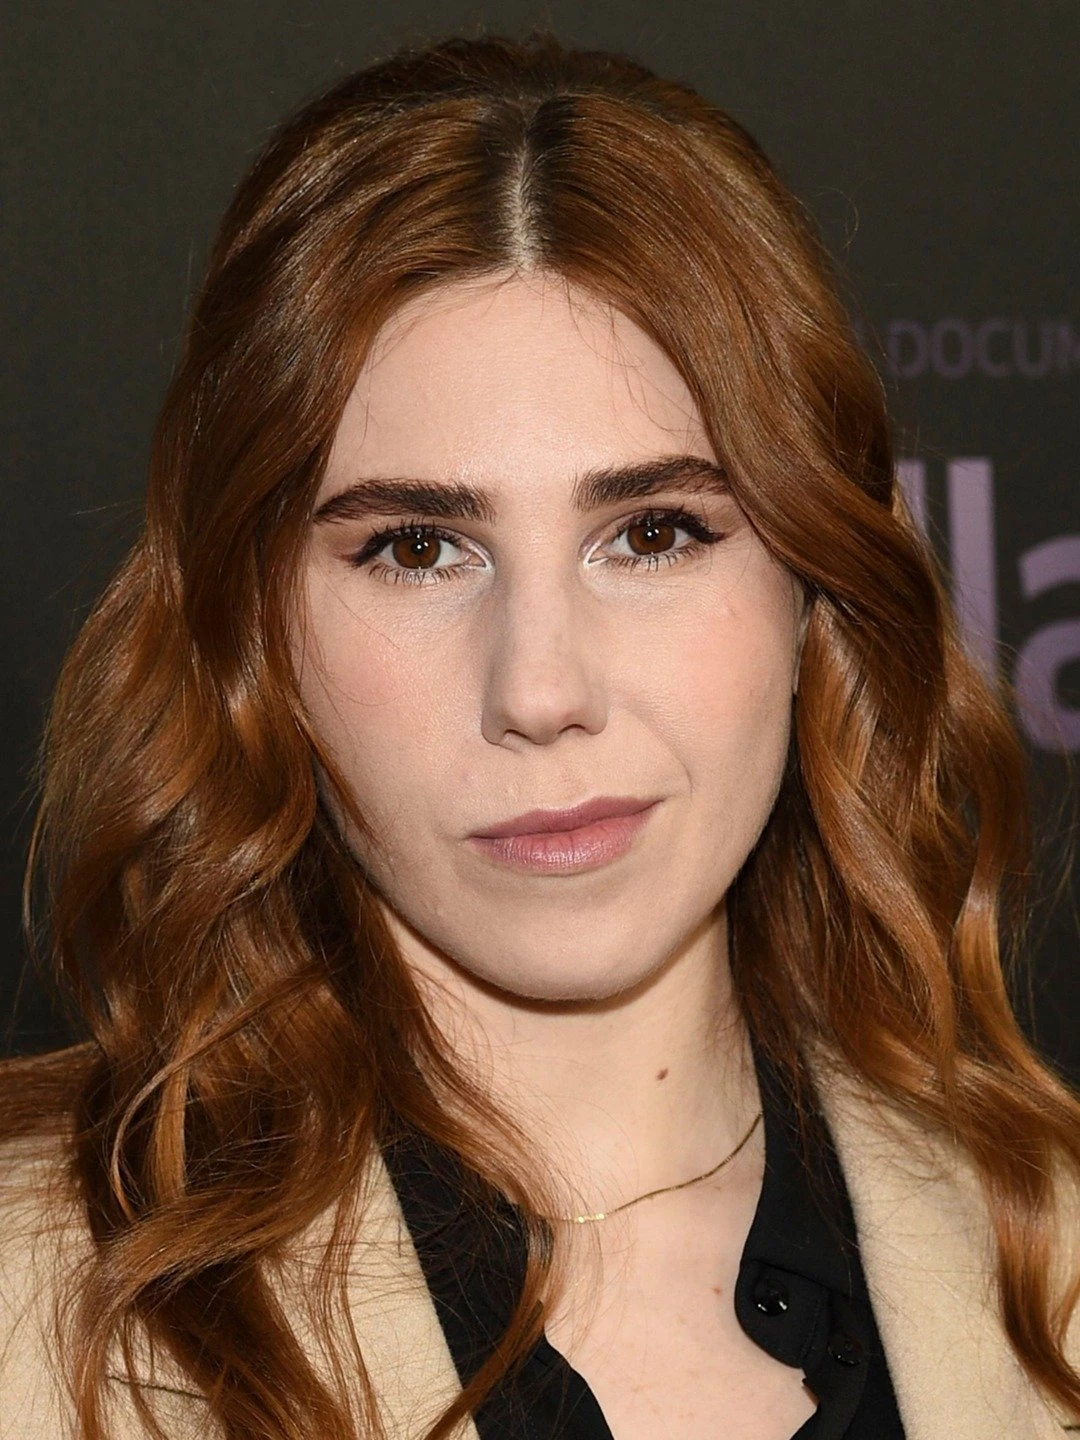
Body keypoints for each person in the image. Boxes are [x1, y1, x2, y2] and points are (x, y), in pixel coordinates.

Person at [0, 31, 1077, 1440]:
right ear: (255, 633)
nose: (541, 688)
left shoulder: (1051, 1261)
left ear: (816, 593)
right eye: (416, 549)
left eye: (654, 532)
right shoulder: (34, 1309)